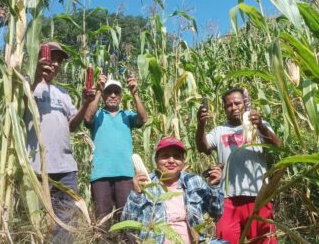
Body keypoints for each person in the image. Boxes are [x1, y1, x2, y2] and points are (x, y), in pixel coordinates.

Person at [24, 42, 96, 243]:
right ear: (39, 57)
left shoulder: (63, 94)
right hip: (37, 167)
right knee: (37, 221)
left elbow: (72, 125)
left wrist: (85, 103)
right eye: (51, 58)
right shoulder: (27, 83)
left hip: (65, 168)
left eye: (58, 60)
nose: (54, 63)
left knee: (65, 221)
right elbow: (18, 106)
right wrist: (37, 76)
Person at [196, 88, 281, 244]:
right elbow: (203, 148)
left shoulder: (259, 124)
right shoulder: (219, 131)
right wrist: (201, 125)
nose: (234, 107)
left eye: (237, 103)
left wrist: (261, 126)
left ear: (245, 103)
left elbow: (277, 145)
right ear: (224, 109)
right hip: (228, 198)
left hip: (258, 195)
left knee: (264, 241)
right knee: (225, 240)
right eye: (229, 105)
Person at [121, 137, 224, 243]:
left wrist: (214, 187)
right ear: (156, 160)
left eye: (177, 156)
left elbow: (216, 214)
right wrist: (136, 194)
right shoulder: (145, 183)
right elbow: (127, 224)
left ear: (183, 161)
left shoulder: (194, 181)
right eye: (165, 156)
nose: (171, 160)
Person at [84, 74, 147, 233]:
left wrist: (135, 94)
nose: (112, 95)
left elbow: (143, 118)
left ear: (120, 96)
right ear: (104, 95)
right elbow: (87, 117)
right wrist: (98, 90)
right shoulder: (98, 115)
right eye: (108, 92)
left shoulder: (127, 115)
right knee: (102, 223)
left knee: (127, 221)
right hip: (100, 175)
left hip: (125, 174)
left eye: (116, 92)